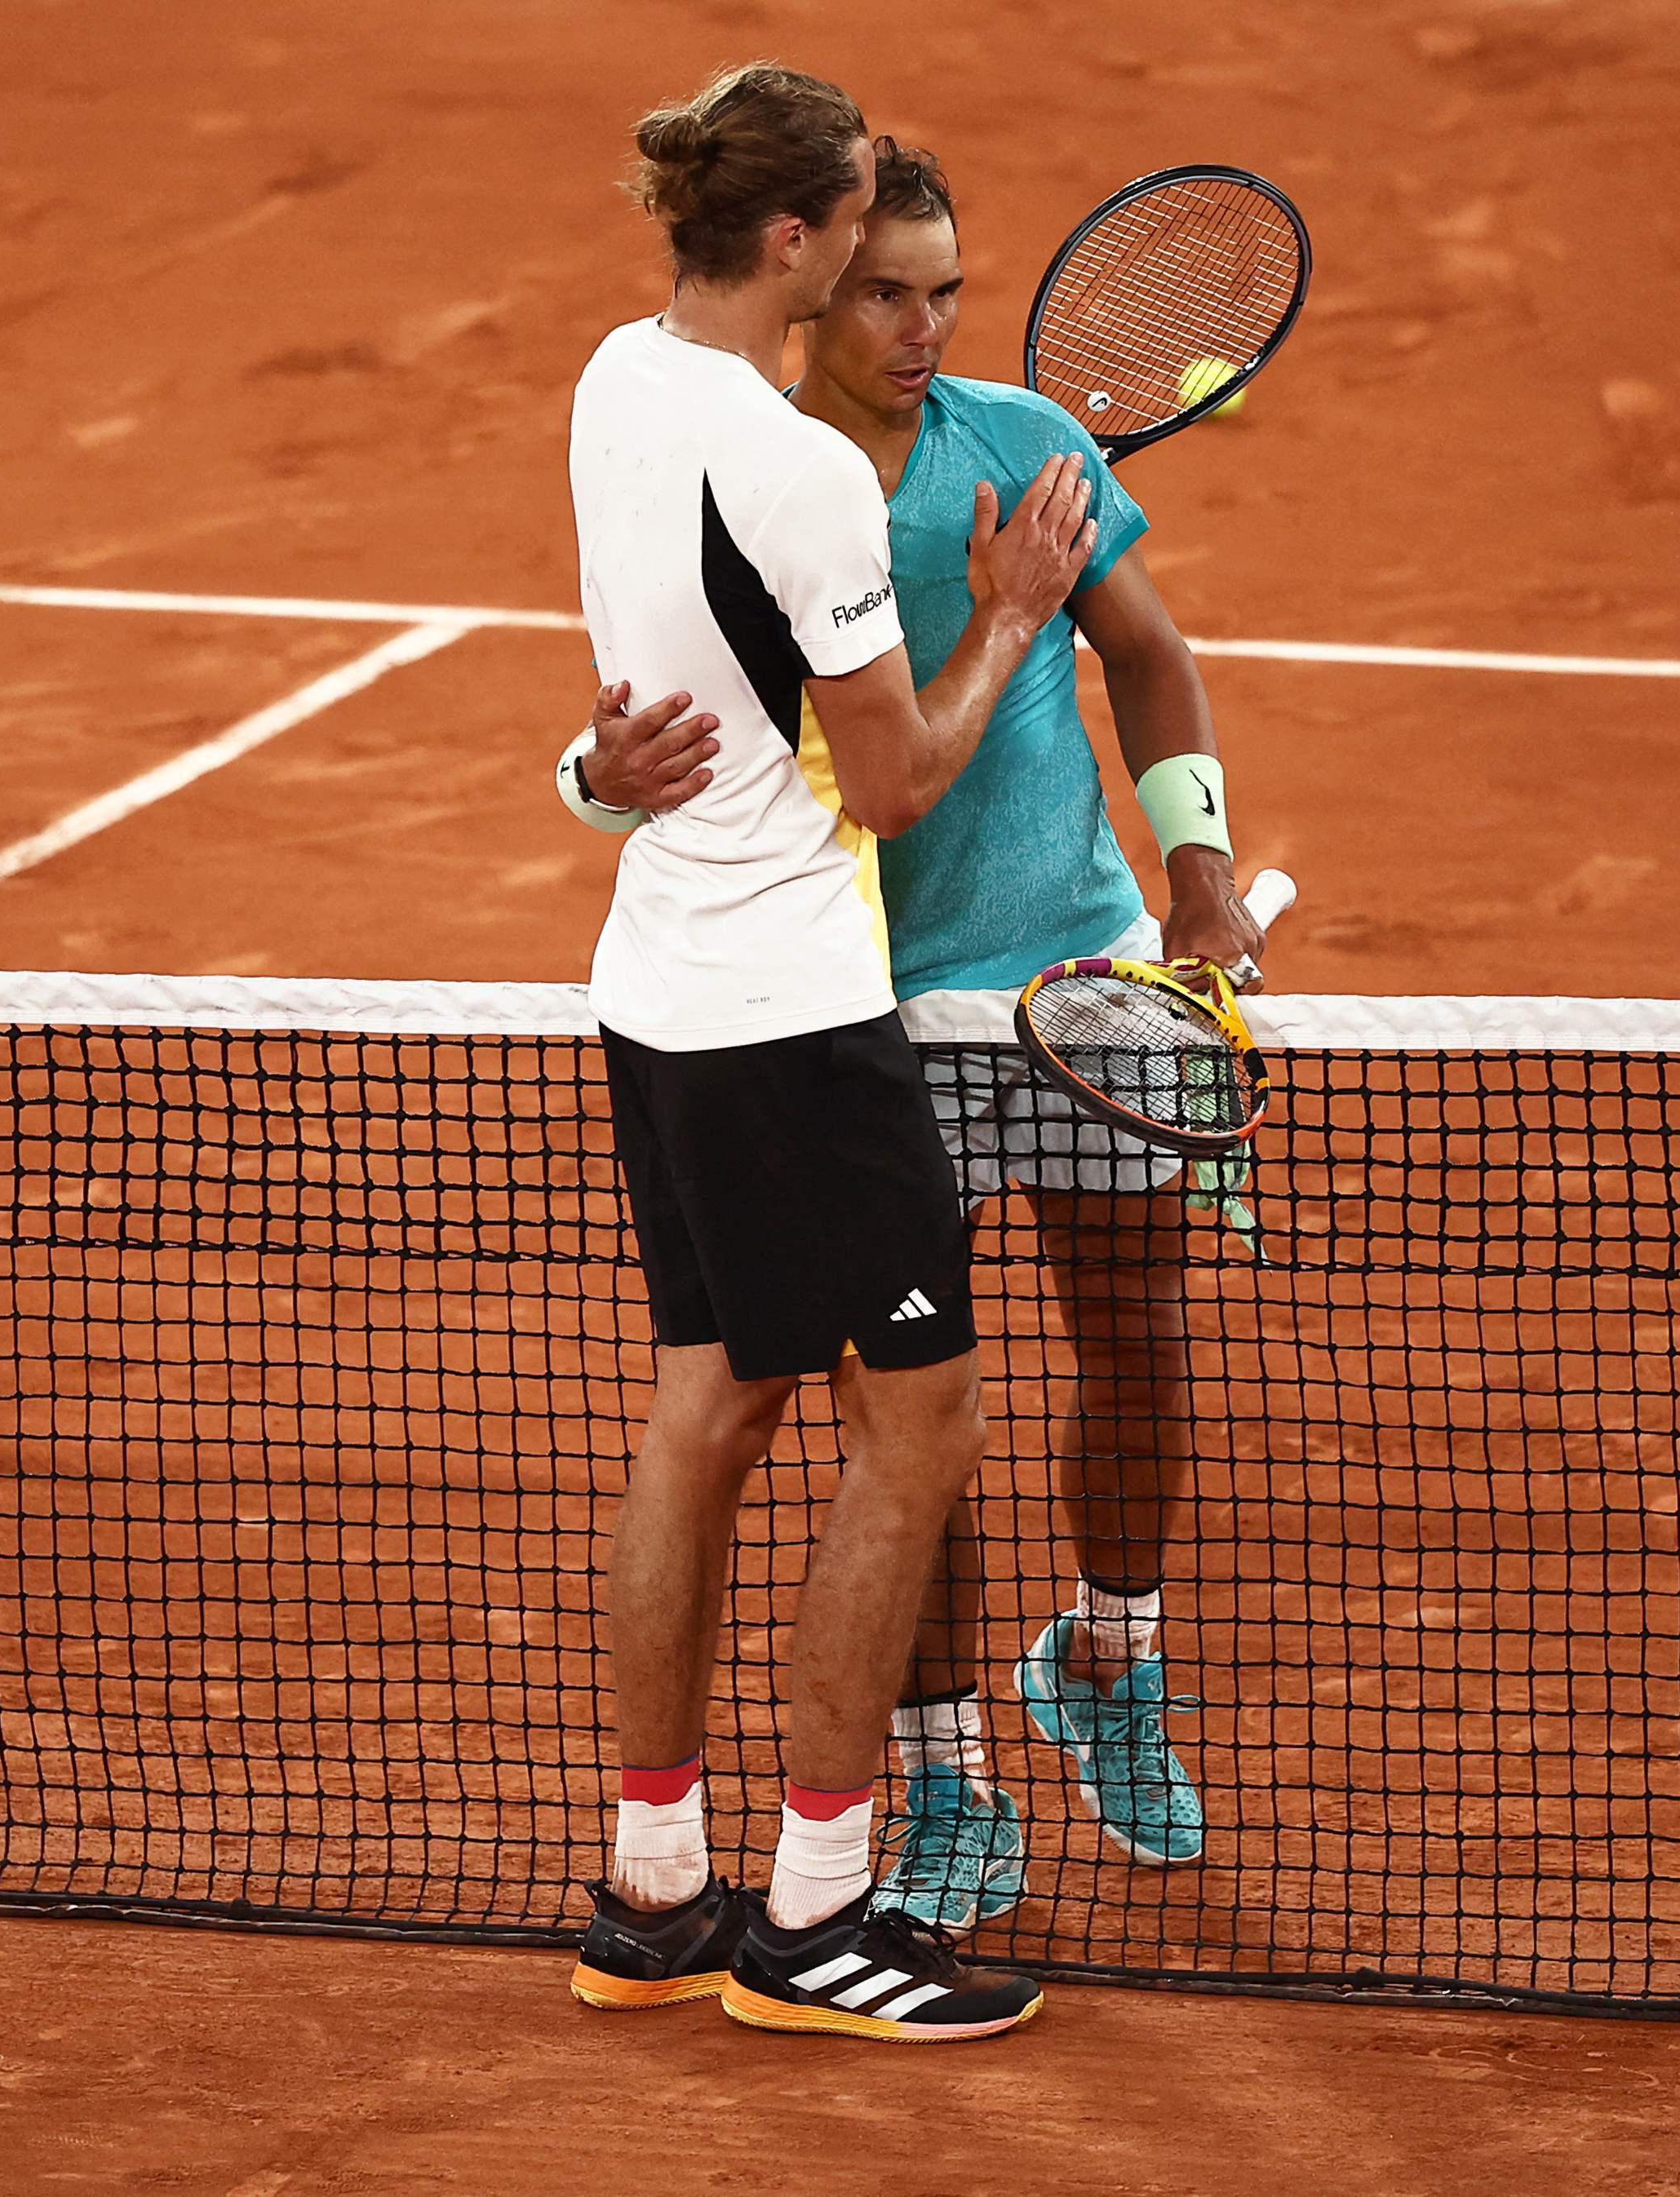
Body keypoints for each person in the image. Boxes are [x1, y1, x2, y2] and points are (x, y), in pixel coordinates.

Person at [565, 141, 1264, 1936]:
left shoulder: (1024, 438)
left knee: (1134, 1328)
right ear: (812, 282)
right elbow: (660, 723)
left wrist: (1193, 878)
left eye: (948, 289)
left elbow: (1155, 661)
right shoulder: (771, 473)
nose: (924, 326)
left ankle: (1111, 1657)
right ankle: (944, 1765)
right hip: (871, 1010)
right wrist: (584, 782)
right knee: (911, 1414)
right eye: (888, 289)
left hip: (1086, 976)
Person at [557, 67, 1097, 2044]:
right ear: (793, 246)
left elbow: (645, 717)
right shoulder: (798, 474)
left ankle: (653, 1881)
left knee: (703, 1410)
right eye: (859, 227)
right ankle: (816, 1910)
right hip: (797, 1014)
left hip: (654, 996)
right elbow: (887, 780)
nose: (889, 272)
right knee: (921, 1429)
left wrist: (585, 779)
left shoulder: (617, 382)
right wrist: (1012, 619)